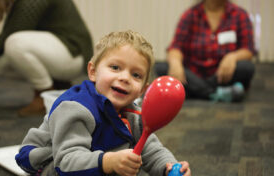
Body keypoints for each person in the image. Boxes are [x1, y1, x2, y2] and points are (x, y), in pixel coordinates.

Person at [15, 30, 191, 176]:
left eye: (136, 75)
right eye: (115, 67)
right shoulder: (75, 107)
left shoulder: (135, 114)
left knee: (125, 153)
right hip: (49, 158)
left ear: (142, 90)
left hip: (95, 153)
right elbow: (66, 162)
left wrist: (169, 167)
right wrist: (108, 161)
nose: (124, 78)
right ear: (93, 71)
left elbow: (152, 150)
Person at [0, 0, 93, 116]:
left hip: (73, 53)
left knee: (14, 43)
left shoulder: (30, 2)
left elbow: (6, 39)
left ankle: (44, 94)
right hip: (65, 53)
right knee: (3, 64)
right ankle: (59, 86)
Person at [155, 0, 255, 102]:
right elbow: (175, 47)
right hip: (193, 73)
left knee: (247, 67)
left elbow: (248, 50)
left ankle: (193, 91)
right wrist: (175, 63)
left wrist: (233, 57)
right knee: (162, 68)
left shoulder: (240, 14)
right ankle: (218, 94)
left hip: (222, 75)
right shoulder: (190, 14)